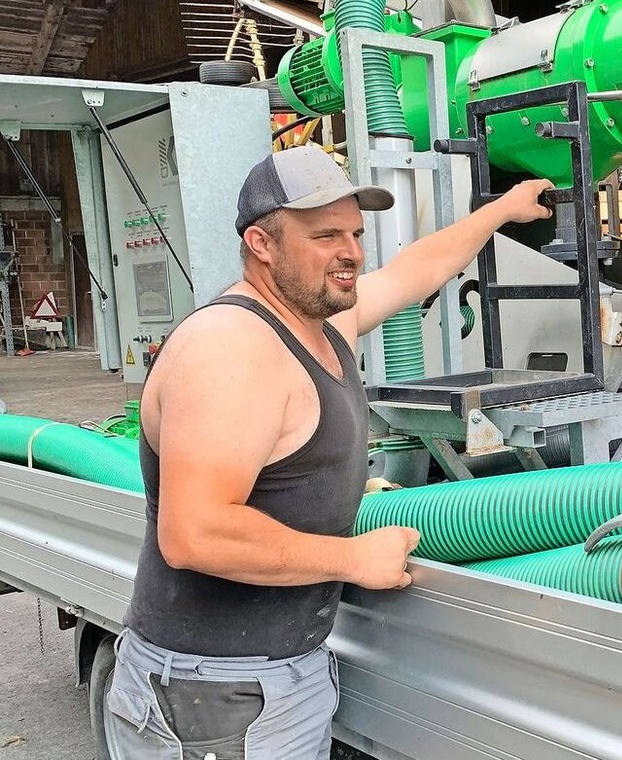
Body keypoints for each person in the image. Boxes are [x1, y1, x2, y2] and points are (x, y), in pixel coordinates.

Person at [104, 145, 553, 759]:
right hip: (214, 696)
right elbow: (195, 533)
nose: (352, 253)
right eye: (324, 236)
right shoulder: (232, 348)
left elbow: (415, 269)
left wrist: (501, 210)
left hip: (274, 680)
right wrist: (352, 559)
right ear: (261, 244)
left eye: (355, 234)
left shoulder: (317, 323)